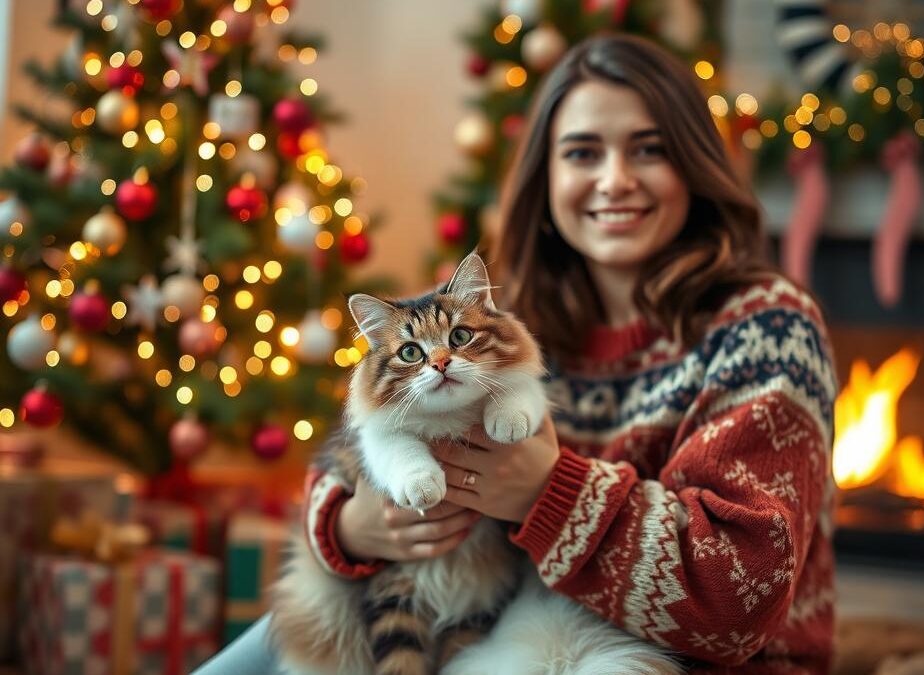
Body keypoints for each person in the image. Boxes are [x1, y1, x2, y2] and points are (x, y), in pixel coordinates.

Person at [195, 33, 837, 675]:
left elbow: (738, 600)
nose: (615, 181)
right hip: (501, 629)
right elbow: (358, 448)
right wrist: (346, 527)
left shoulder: (767, 325)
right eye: (582, 153)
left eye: (649, 149)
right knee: (269, 643)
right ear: (546, 178)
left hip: (675, 660)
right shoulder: (503, 315)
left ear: (695, 166)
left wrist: (547, 493)